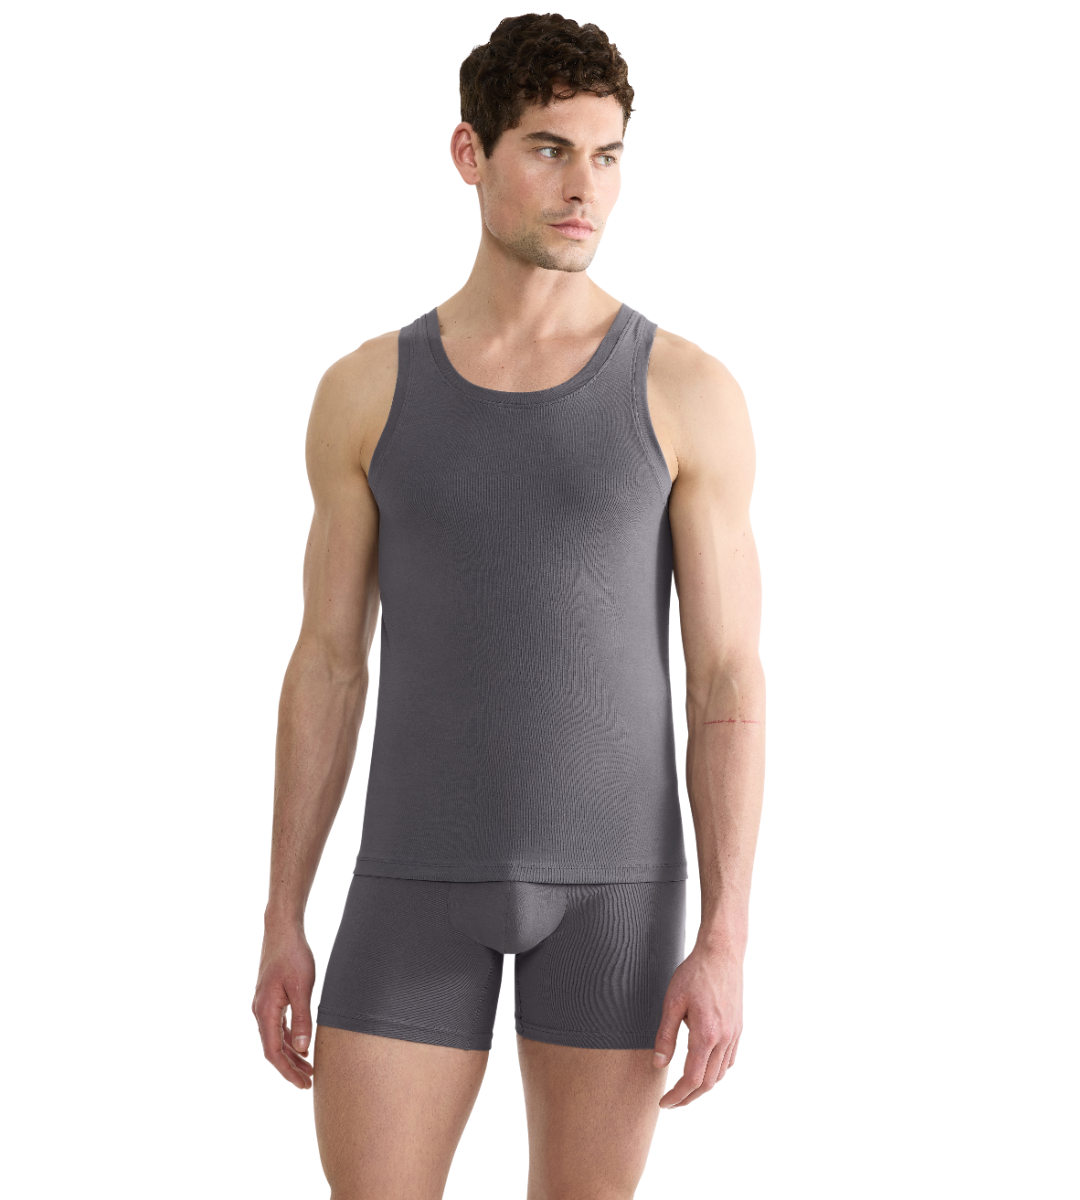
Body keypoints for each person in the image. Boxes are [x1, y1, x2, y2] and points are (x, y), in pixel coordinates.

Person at [252, 12, 766, 1198]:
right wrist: (282, 911)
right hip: (409, 884)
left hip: (617, 901)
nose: (585, 189)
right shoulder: (364, 390)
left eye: (608, 156)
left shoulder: (686, 388)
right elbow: (327, 662)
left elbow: (727, 676)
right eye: (548, 150)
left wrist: (727, 937)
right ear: (469, 153)